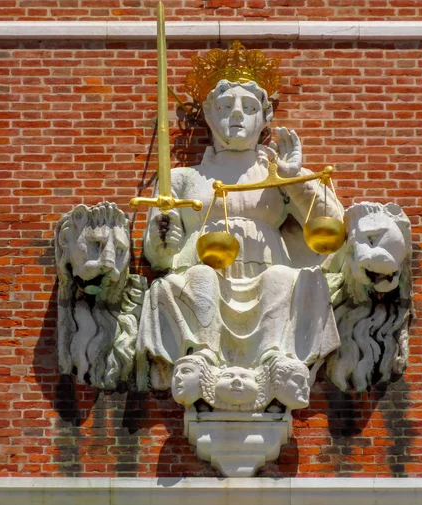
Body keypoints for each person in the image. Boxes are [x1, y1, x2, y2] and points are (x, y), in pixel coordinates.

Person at [136, 45, 344, 391]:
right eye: (225, 106)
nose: (237, 114)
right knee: (197, 278)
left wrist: (294, 182)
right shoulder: (183, 178)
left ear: (265, 117)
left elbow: (331, 225)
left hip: (267, 270)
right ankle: (202, 353)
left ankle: (273, 354)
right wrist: (163, 236)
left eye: (248, 107)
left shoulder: (279, 172)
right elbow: (159, 257)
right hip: (204, 268)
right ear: (207, 113)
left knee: (282, 278)